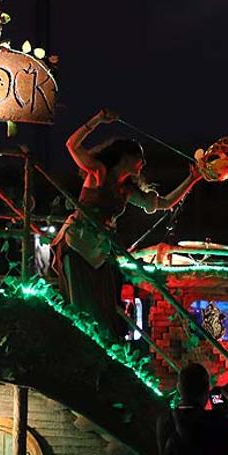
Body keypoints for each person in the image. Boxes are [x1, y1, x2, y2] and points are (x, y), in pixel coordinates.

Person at [53, 110, 202, 336]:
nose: (143, 163)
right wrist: (98, 120)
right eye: (139, 157)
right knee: (83, 305)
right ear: (126, 158)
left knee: (103, 306)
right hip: (78, 244)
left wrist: (193, 178)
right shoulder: (98, 173)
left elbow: (164, 203)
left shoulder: (126, 189)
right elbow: (71, 145)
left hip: (99, 250)